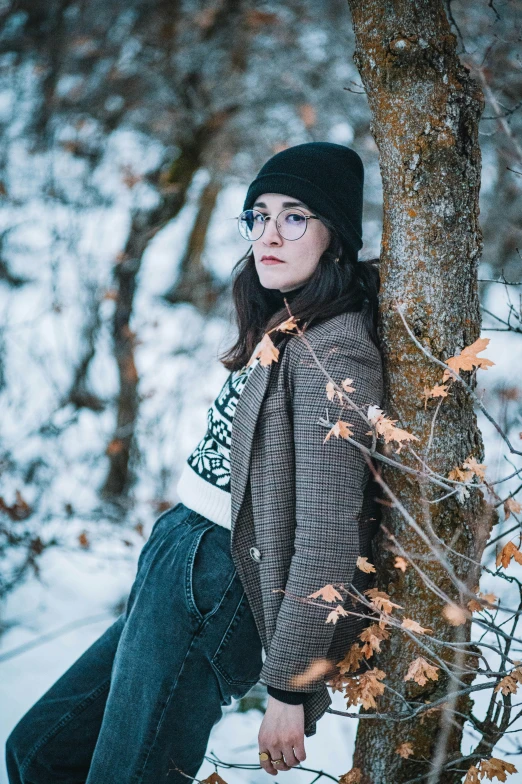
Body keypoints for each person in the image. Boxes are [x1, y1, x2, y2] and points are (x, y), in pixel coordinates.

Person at [5, 142, 384, 782]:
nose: (269, 233)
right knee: (42, 750)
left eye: (295, 217)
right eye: (258, 215)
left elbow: (329, 533)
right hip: (181, 551)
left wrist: (289, 688)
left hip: (220, 578)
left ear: (334, 237)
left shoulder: (334, 353)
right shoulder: (284, 318)